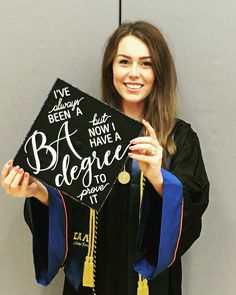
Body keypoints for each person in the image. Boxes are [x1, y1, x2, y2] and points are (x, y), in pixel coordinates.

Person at [1, 21, 209, 295]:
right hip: (91, 281)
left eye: (146, 64)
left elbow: (191, 207)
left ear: (159, 71)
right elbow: (65, 206)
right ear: (111, 68)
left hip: (149, 286)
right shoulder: (82, 131)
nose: (134, 73)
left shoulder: (177, 138)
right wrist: (38, 191)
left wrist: (158, 177)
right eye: (124, 61)